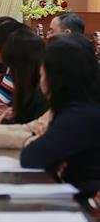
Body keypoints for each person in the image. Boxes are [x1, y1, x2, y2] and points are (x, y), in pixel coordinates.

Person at [21, 34, 100, 198]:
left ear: (56, 78)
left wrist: (33, 140)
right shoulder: (85, 106)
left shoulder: (79, 115)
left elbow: (31, 158)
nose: (40, 82)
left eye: (42, 75)